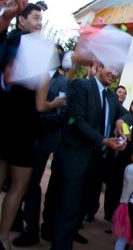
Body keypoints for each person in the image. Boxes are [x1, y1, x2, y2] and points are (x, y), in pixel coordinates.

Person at [0, 3, 65, 250]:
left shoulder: (8, 42)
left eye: (41, 19)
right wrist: (57, 102)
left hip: (4, 121)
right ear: (22, 21)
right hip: (24, 126)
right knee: (18, 187)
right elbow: (40, 105)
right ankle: (4, 237)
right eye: (36, 18)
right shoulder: (39, 50)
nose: (40, 23)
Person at [46, 60, 128, 249]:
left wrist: (121, 122)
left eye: (117, 70)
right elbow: (77, 121)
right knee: (67, 211)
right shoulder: (81, 86)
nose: (113, 73)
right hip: (74, 160)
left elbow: (127, 114)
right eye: (111, 67)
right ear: (99, 66)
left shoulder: (111, 97)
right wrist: (103, 140)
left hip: (94, 165)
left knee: (77, 212)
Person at [12, 47, 71, 248]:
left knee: (32, 184)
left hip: (43, 140)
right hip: (25, 137)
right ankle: (17, 219)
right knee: (19, 183)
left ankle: (31, 230)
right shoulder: (33, 76)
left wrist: (36, 118)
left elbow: (61, 114)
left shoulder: (63, 82)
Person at [112, 144, 133, 250]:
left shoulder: (132, 168)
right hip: (128, 206)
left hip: (128, 205)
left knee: (126, 237)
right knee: (124, 236)